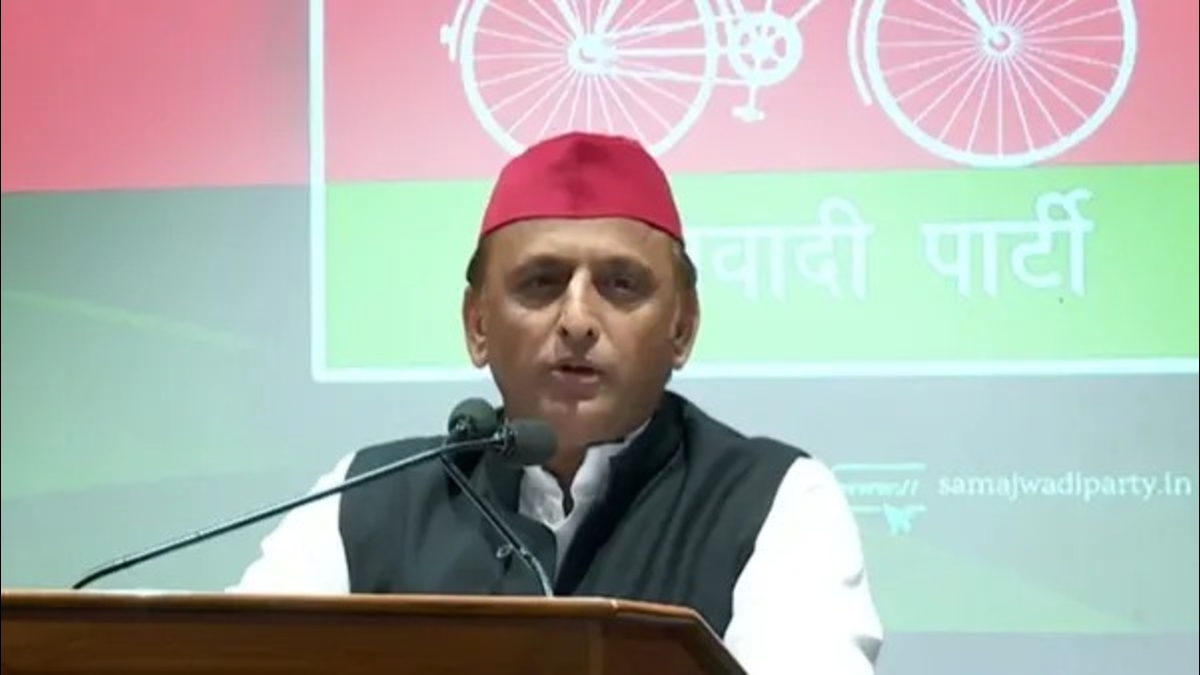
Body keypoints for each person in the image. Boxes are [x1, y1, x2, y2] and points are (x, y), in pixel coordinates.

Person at [229, 131, 883, 673]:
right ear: (477, 324)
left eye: (620, 284)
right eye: (541, 283)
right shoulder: (364, 498)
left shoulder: (775, 501)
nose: (577, 319)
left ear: (682, 326)